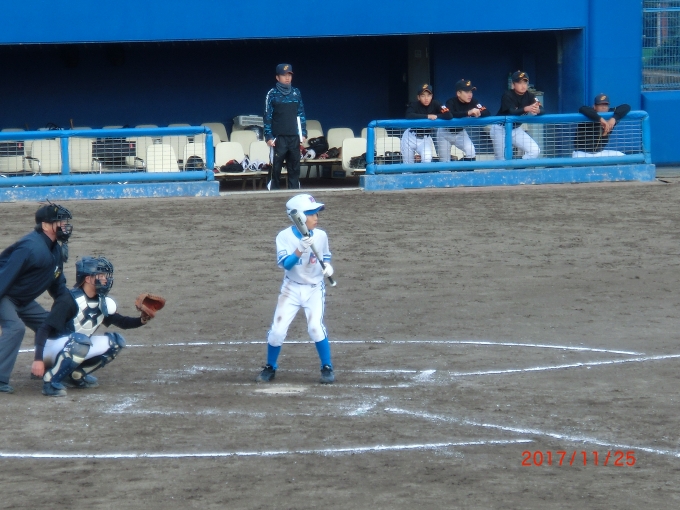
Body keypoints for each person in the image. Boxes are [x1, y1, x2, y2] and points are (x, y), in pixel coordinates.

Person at [32, 256, 150, 397]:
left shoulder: (102, 301)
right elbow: (44, 329)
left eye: (106, 276)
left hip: (75, 345)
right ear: (88, 279)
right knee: (80, 341)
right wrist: (38, 360)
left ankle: (76, 375)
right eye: (101, 276)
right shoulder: (68, 300)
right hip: (51, 349)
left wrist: (143, 319)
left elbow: (122, 322)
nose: (106, 279)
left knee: (115, 342)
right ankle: (50, 381)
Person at [257, 194, 335, 384]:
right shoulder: (284, 237)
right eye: (311, 214)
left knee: (315, 328)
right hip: (291, 289)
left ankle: (327, 367)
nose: (316, 217)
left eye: (317, 213)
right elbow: (287, 264)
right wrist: (300, 249)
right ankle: (270, 366)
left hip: (315, 289)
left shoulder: (321, 235)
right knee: (277, 331)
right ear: (299, 217)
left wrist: (327, 266)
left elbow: (325, 256)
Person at [0, 202, 73, 395]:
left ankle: (50, 370)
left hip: (23, 300)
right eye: (60, 222)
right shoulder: (30, 247)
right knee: (15, 328)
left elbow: (57, 285)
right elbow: (4, 276)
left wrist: (68, 306)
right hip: (5, 295)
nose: (65, 226)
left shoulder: (55, 250)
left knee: (52, 325)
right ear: (45, 225)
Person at [264, 63, 307, 190]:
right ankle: (273, 192)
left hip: (294, 137)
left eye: (289, 75)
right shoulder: (272, 94)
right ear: (277, 77)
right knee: (275, 168)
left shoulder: (296, 92)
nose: (287, 78)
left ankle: (294, 191)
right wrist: (268, 136)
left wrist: (303, 133)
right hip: (278, 138)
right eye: (284, 75)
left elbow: (301, 113)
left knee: (294, 167)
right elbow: (267, 116)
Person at [490, 70, 544, 160]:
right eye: (519, 83)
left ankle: (519, 167)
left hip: (515, 129)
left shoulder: (530, 96)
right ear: (513, 84)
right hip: (500, 129)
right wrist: (526, 109)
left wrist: (537, 110)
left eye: (525, 82)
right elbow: (511, 112)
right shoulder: (507, 95)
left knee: (534, 150)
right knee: (501, 160)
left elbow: (543, 110)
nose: (523, 85)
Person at [436, 79, 490, 162]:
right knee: (444, 161)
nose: (470, 95)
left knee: (471, 152)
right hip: (444, 133)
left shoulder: (473, 102)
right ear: (458, 93)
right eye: (466, 92)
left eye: (471, 92)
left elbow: (487, 112)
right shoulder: (451, 102)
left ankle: (457, 166)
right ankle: (453, 165)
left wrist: (479, 113)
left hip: (460, 133)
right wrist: (468, 113)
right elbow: (451, 114)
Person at [401, 83, 452, 164]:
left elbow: (449, 115)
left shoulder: (436, 103)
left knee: (427, 159)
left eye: (428, 95)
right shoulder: (414, 105)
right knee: (408, 165)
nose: (426, 98)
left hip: (425, 138)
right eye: (423, 95)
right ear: (418, 97)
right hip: (410, 137)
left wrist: (436, 116)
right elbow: (408, 115)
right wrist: (427, 116)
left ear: (432, 96)